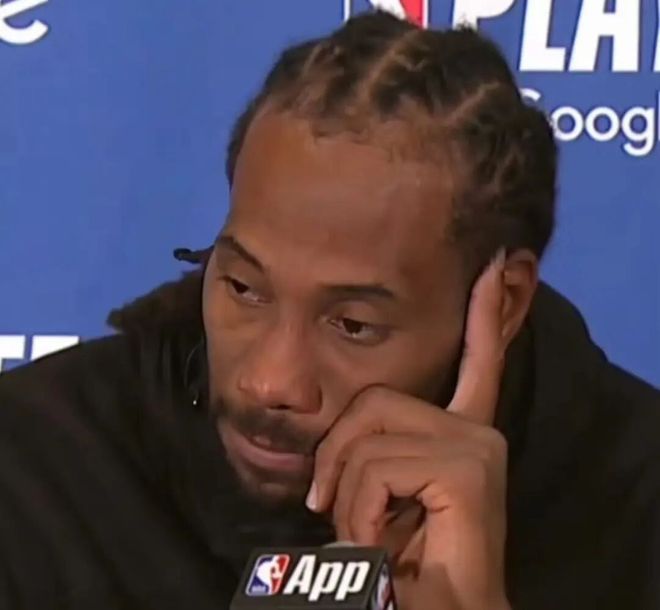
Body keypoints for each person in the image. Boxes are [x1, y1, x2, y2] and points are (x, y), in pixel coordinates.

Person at [1, 11, 659, 610]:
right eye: (243, 288)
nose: (270, 382)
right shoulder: (34, 468)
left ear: (504, 302)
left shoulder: (634, 501)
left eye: (353, 325)